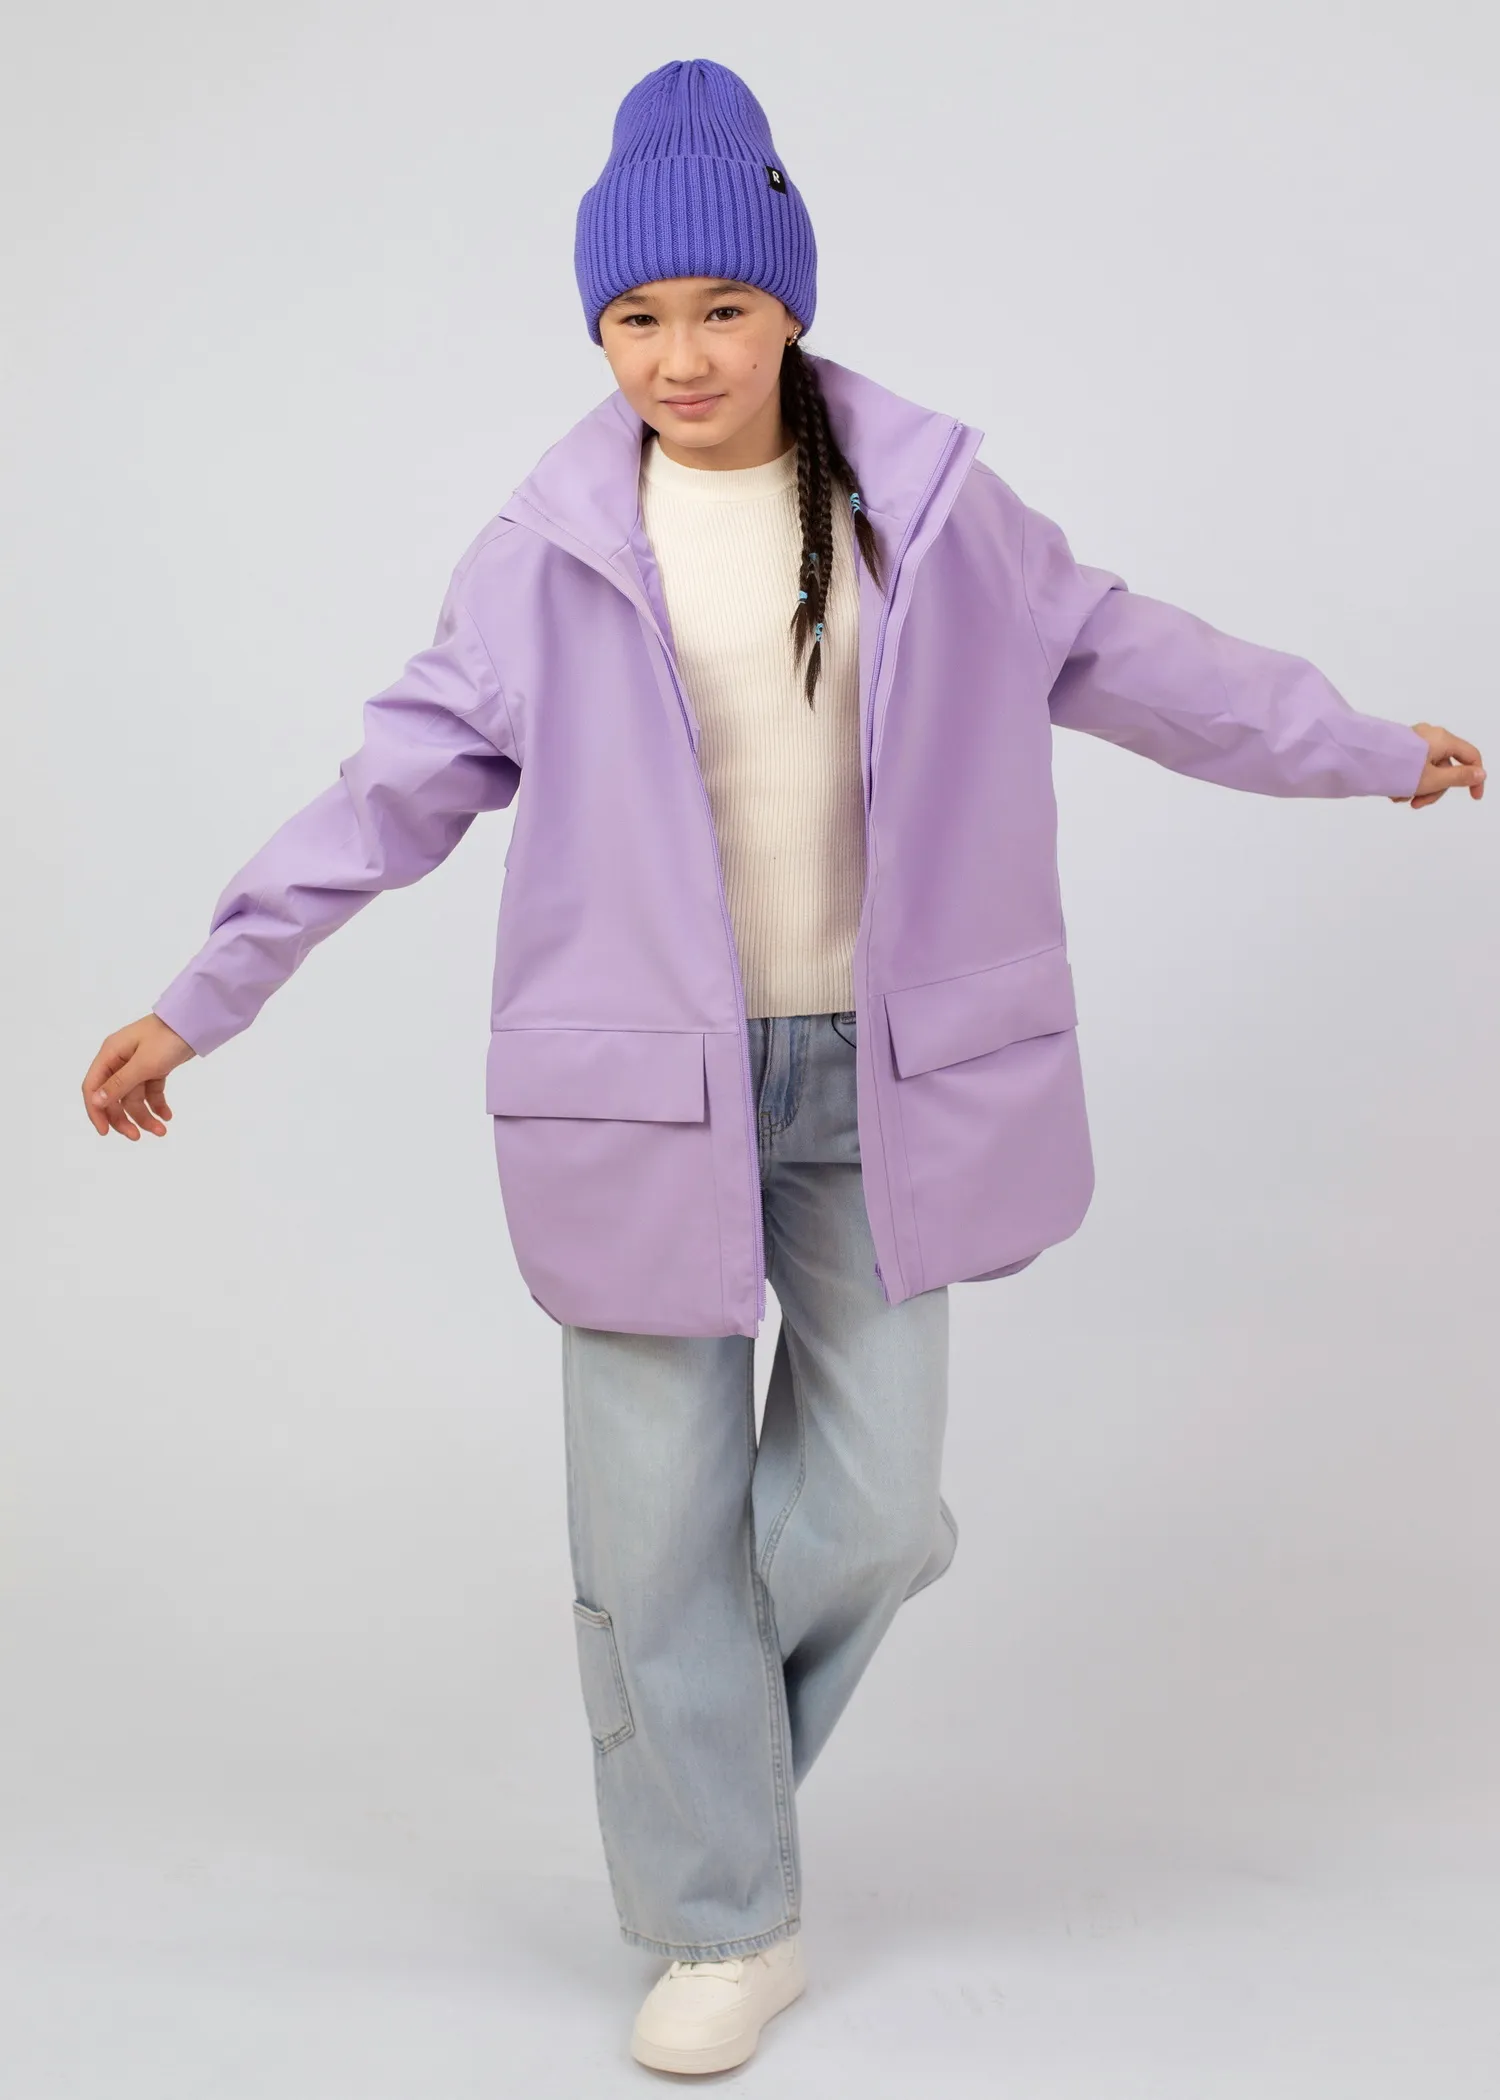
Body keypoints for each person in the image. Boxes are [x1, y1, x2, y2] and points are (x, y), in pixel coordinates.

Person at [80, 56, 1484, 2081]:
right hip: (637, 1098)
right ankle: (725, 1913)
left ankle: (703, 1787)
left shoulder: (936, 512)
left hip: (886, 1079)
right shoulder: (544, 554)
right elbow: (384, 796)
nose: (681, 356)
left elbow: (1136, 655)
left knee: (880, 1512)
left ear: (791, 303)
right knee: (653, 1537)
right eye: (636, 317)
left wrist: (1357, 747)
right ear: (597, 329)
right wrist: (206, 992)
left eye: (721, 308)